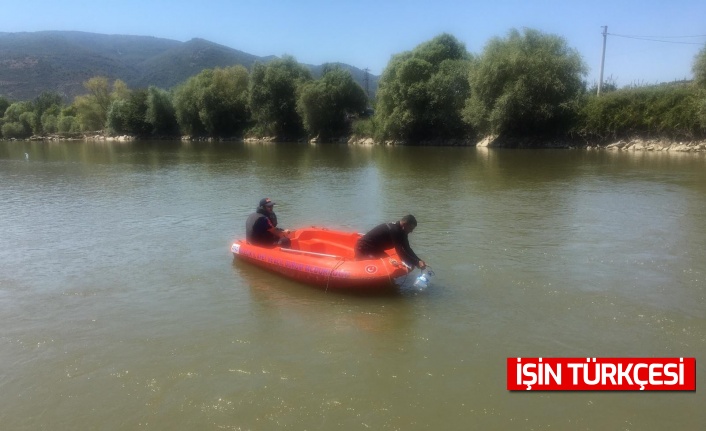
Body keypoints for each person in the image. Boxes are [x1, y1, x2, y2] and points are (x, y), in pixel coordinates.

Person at [355, 214, 426, 269]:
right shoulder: (394, 230)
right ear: (405, 224)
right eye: (411, 228)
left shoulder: (402, 232)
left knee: (390, 264)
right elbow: (400, 251)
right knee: (366, 267)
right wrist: (416, 263)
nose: (411, 231)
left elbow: (407, 248)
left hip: (375, 250)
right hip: (363, 248)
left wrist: (418, 260)